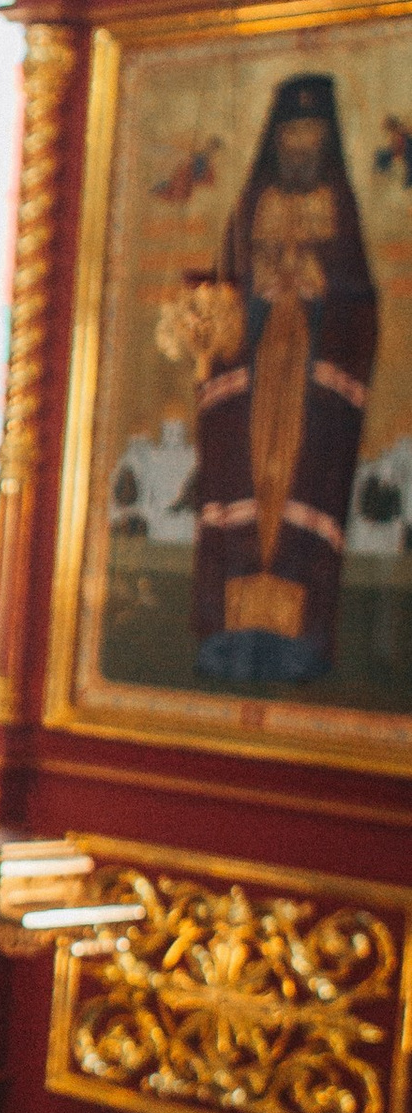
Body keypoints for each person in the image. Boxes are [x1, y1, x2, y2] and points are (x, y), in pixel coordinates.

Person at [192, 70, 380, 688]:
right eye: (291, 131)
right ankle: (231, 637)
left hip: (309, 381)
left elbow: (360, 308)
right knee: (248, 490)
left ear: (324, 140)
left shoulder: (338, 208)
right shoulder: (253, 205)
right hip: (254, 376)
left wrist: (319, 291)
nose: (299, 143)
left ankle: (297, 643)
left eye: (311, 132)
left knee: (299, 493)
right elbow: (222, 296)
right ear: (276, 138)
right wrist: (255, 300)